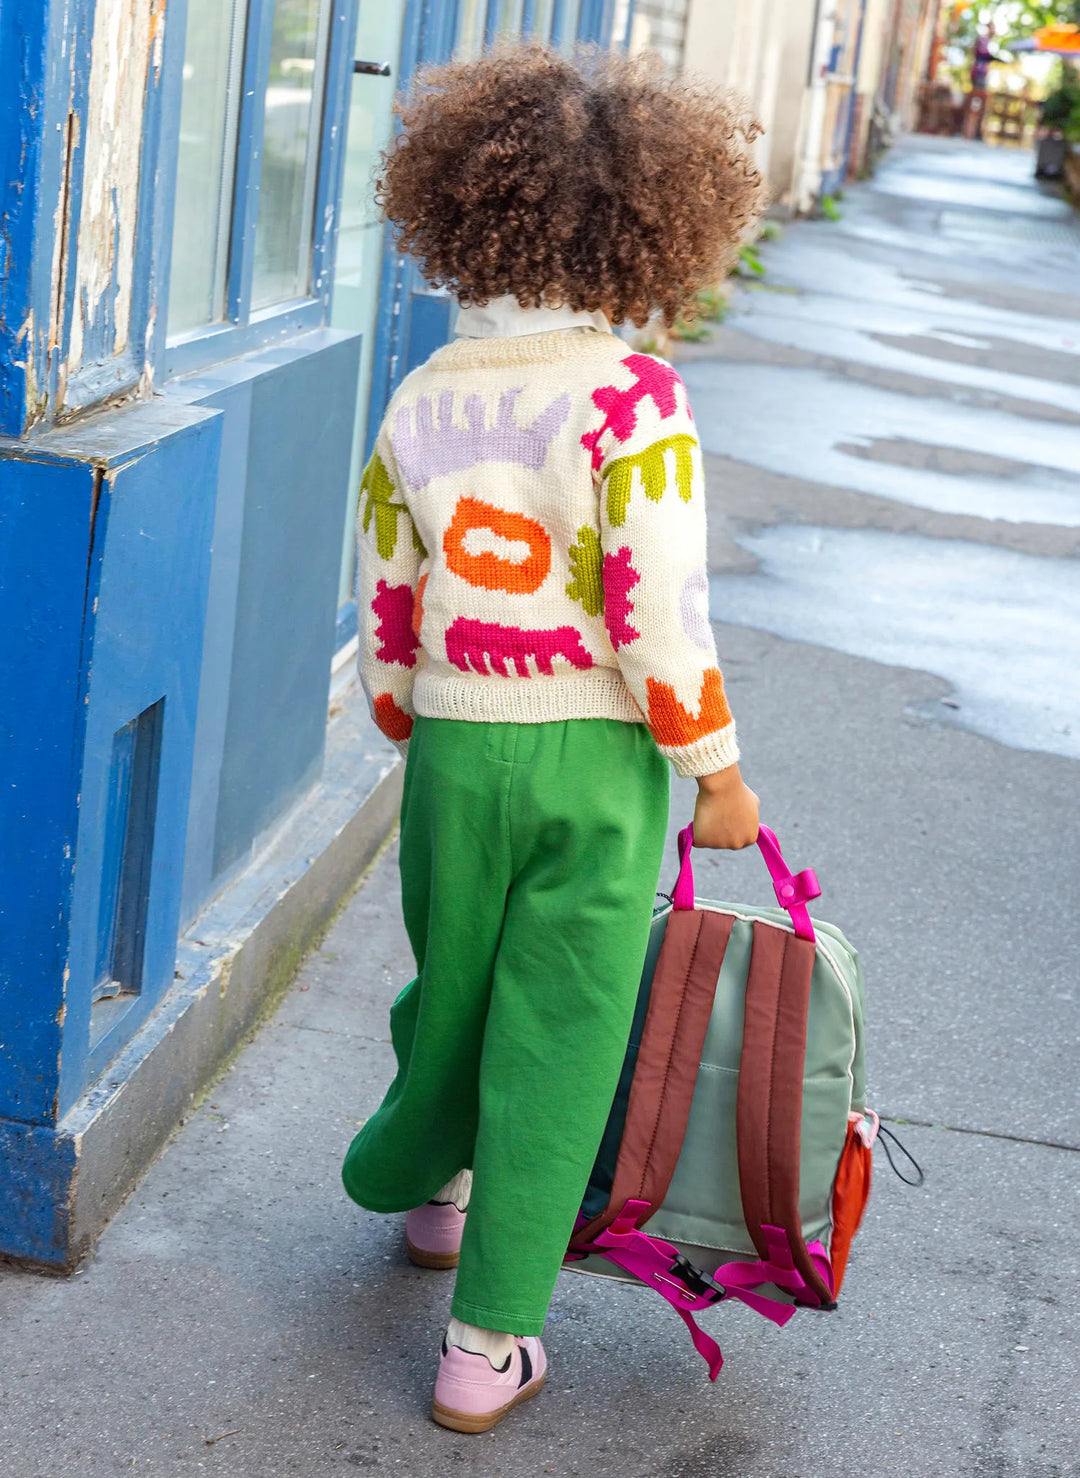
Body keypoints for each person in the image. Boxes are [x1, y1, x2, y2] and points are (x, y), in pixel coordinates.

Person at [342, 43, 763, 1434]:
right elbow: (659, 607)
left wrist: (405, 711)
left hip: (455, 749)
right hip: (593, 754)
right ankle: (489, 1342)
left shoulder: (423, 394)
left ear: (460, 214)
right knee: (562, 1028)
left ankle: (427, 1180)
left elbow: (388, 584)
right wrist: (713, 770)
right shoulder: (633, 398)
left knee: (456, 976)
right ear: (652, 228)